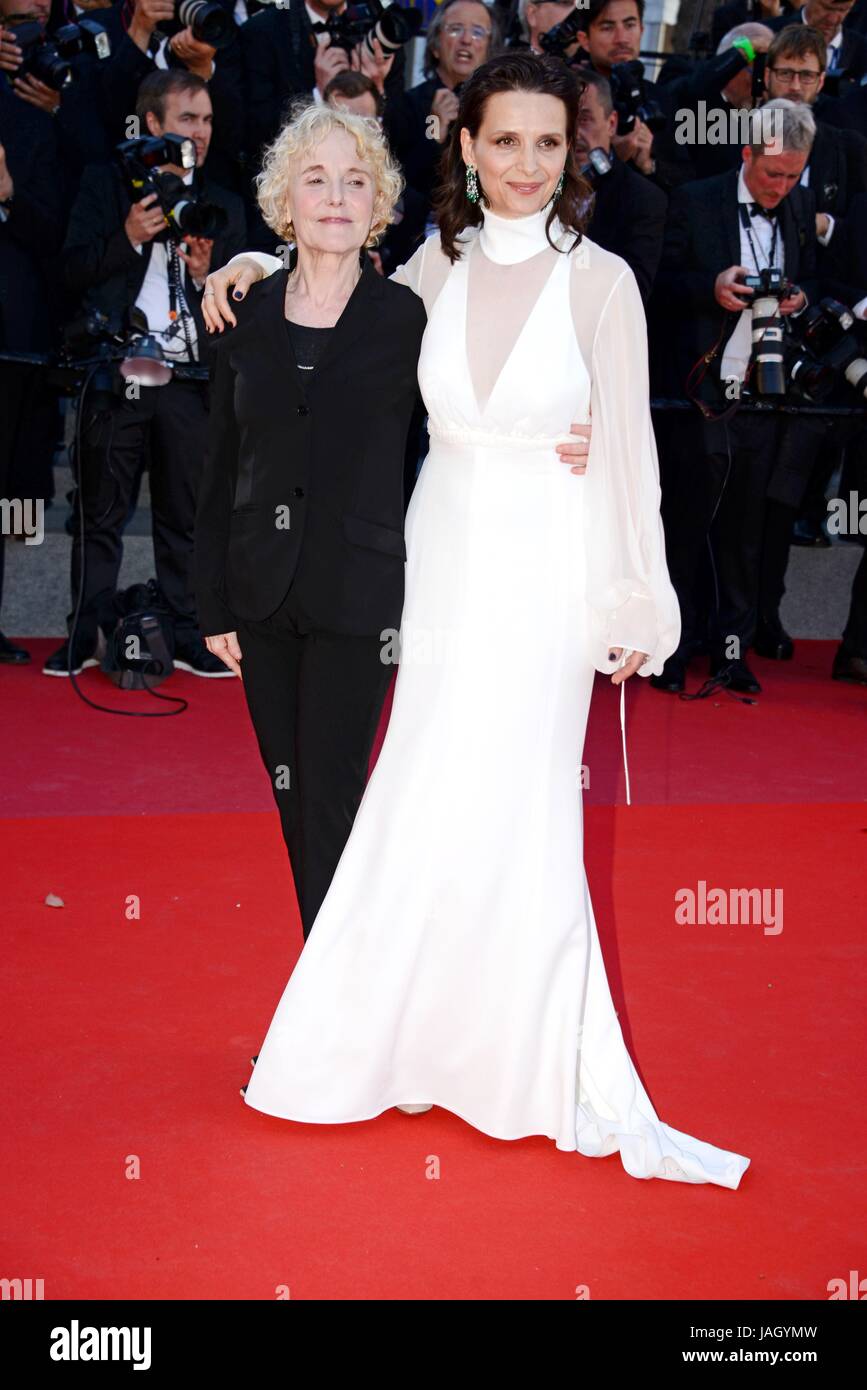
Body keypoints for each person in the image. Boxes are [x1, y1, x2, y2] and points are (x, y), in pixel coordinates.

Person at [201, 54, 751, 1188]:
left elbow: (633, 452)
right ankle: (403, 1039)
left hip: (546, 569)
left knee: (528, 801)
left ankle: (523, 1058)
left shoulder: (603, 284)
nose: (526, 164)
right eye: (506, 141)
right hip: (439, 561)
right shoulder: (434, 269)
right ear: (467, 146)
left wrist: (635, 589)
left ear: (575, 152)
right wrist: (254, 254)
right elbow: (332, 279)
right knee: (423, 790)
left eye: (549, 144)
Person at [195, 99, 592, 939]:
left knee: (332, 799)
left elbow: (484, 385)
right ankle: (329, 1005)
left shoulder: (409, 314)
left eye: (355, 182)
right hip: (259, 600)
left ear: (378, 203)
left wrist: (572, 428)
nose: (335, 197)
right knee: (292, 799)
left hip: (359, 599)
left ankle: (330, 1025)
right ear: (284, 202)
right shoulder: (244, 314)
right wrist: (212, 606)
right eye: (315, 180)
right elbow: (221, 464)